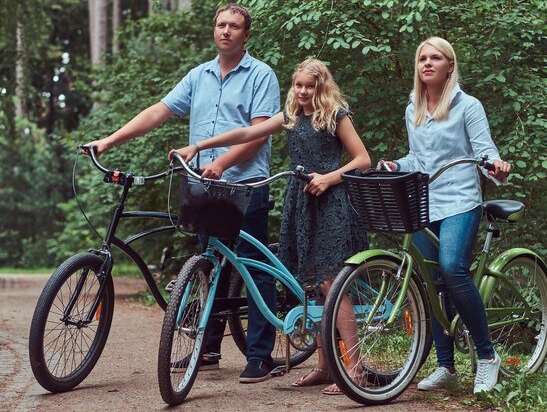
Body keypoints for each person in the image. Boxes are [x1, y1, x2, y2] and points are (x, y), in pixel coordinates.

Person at [84, 3, 281, 384]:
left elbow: (260, 133)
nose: (226, 31)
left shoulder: (261, 74)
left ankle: (260, 354)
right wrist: (109, 141)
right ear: (214, 30)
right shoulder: (199, 75)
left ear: (246, 35)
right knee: (209, 266)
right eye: (220, 24)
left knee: (254, 268)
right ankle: (207, 350)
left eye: (234, 26)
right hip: (202, 185)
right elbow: (159, 111)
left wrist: (222, 163)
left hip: (245, 185)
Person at [170, 58, 371, 395]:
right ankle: (324, 367)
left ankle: (355, 370)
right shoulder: (292, 116)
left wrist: (329, 178)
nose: (304, 91)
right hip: (301, 203)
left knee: (330, 283)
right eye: (299, 85)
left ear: (322, 87)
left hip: (330, 202)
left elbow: (363, 159)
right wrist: (200, 146)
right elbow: (249, 132)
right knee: (310, 283)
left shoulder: (336, 115)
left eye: (311, 86)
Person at [381, 37, 512, 395]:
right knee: (430, 282)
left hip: (460, 201)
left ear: (449, 66)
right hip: (425, 202)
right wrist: (397, 164)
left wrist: (497, 168)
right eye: (422, 58)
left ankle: (486, 357)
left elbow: (485, 154)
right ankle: (446, 366)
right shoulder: (414, 108)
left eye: (435, 58)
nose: (427, 63)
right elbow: (417, 159)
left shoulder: (468, 106)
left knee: (453, 268)